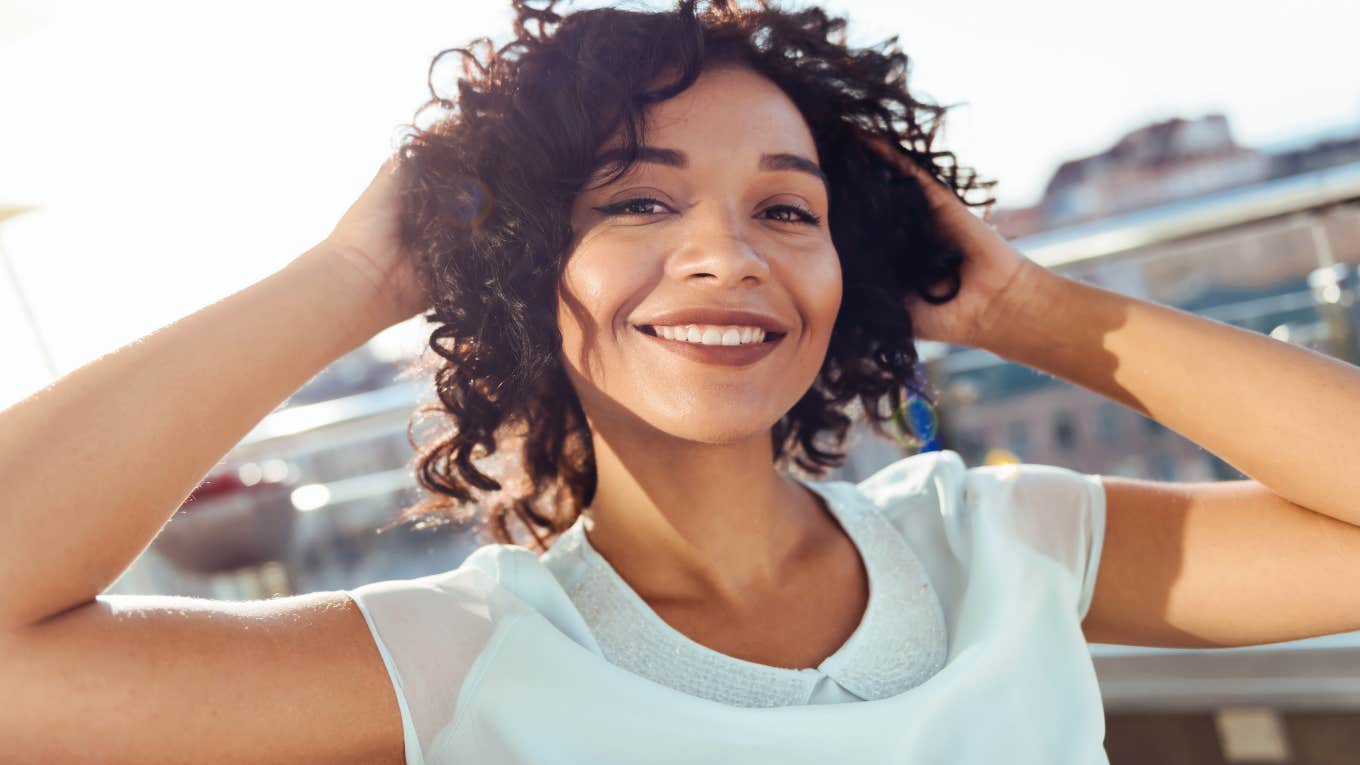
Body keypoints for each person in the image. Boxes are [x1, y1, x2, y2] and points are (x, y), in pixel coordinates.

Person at [4, 1, 1359, 763]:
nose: (724, 253)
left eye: (787, 210)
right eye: (639, 204)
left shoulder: (1011, 545)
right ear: (525, 266)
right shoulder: (460, 656)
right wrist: (360, 271)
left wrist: (1029, 308)